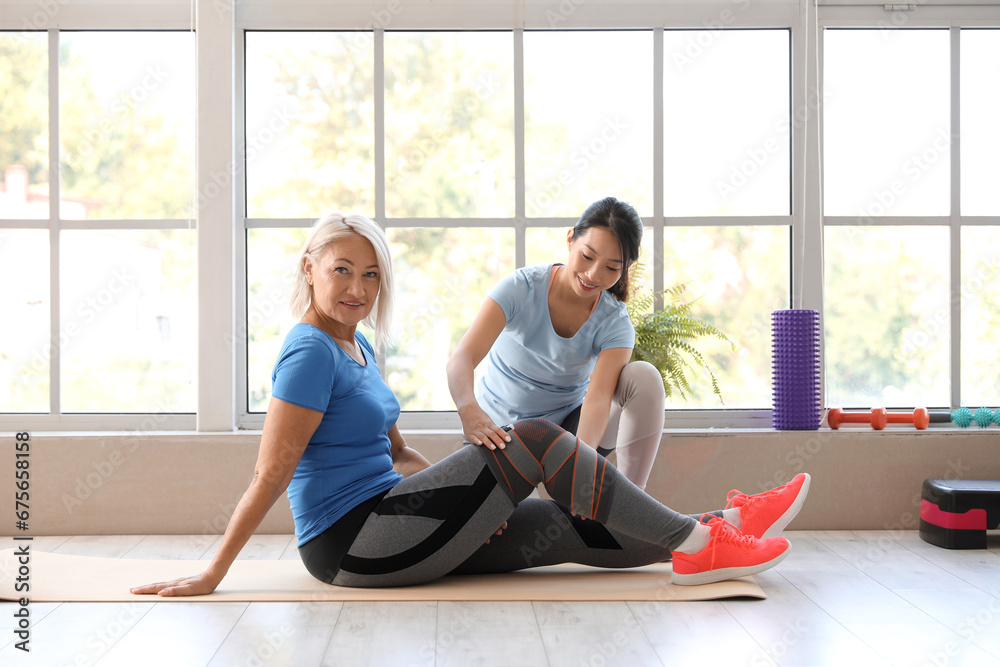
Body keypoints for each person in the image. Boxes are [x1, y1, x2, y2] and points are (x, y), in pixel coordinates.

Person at [130, 211, 810, 596]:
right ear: (308, 266)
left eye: (370, 275)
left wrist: (467, 506)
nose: (357, 286)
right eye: (341, 268)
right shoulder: (308, 350)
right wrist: (212, 571)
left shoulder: (356, 348)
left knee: (568, 526)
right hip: (350, 544)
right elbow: (271, 471)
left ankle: (723, 524)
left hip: (397, 519)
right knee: (540, 438)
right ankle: (705, 542)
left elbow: (397, 456)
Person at [447, 196, 665, 490]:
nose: (593, 275)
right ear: (570, 239)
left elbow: (598, 398)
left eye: (611, 268)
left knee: (644, 376)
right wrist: (469, 411)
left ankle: (629, 506)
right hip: (497, 433)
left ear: (626, 269)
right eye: (587, 257)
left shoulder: (614, 322)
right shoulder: (520, 288)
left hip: (566, 435)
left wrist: (580, 465)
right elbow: (462, 357)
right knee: (492, 530)